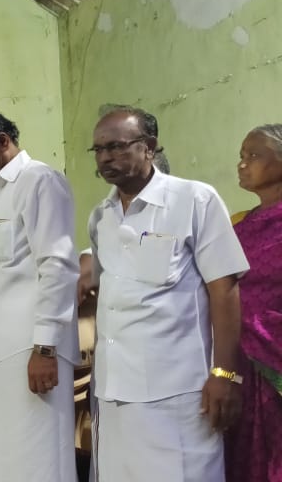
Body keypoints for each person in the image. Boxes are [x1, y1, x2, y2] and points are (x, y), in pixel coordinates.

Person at [82, 107, 246, 482]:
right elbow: (107, 292)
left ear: (149, 146)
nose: (105, 157)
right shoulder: (101, 216)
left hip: (178, 394)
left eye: (116, 147)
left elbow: (224, 290)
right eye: (99, 150)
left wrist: (224, 373)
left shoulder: (194, 200)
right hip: (112, 391)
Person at [0, 108, 78, 482]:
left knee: (40, 459)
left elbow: (57, 266)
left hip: (33, 349)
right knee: (7, 459)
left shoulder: (40, 181)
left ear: (2, 141)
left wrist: (45, 349)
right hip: (2, 353)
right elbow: (1, 273)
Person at [227, 124, 282, 481]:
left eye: (254, 156)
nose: (243, 164)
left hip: (273, 356)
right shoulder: (238, 225)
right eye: (242, 156)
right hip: (239, 365)